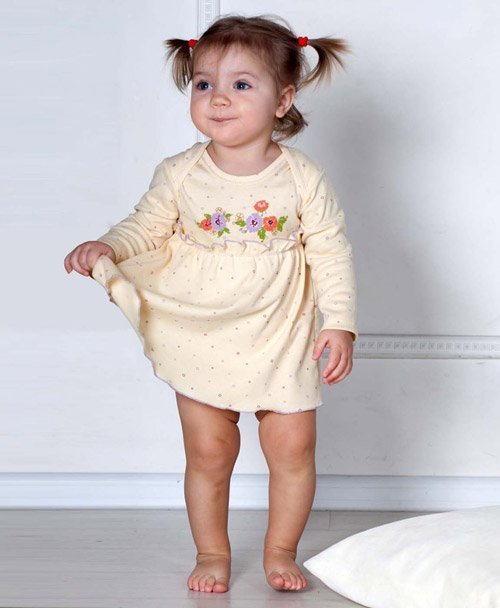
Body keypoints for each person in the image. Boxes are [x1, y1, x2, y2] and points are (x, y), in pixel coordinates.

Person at [64, 13, 358, 594]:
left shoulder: (302, 177)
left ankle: (281, 549)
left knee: (293, 447)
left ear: (283, 100)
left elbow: (331, 250)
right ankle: (212, 551)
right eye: (204, 84)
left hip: (281, 329)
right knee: (208, 450)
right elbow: (145, 226)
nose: (219, 98)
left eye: (241, 84)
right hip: (201, 329)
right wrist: (109, 245)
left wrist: (341, 322)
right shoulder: (180, 173)